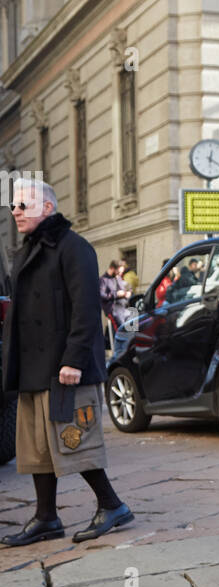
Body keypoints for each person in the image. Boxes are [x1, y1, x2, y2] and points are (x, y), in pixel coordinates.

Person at [1, 181, 134, 546]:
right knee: (37, 447)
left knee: (74, 440)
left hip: (66, 368)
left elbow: (87, 309)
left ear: (47, 207)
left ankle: (112, 505)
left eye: (23, 204)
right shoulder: (24, 251)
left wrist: (74, 359)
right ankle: (46, 517)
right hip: (33, 369)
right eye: (13, 206)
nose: (15, 211)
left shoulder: (75, 248)